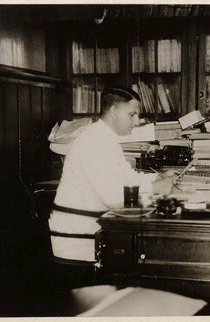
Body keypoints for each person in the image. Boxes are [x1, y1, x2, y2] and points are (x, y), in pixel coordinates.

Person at [47, 86, 148, 289]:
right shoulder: (94, 142)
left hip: (90, 233)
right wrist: (155, 188)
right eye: (132, 114)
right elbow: (114, 197)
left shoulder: (106, 139)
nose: (136, 122)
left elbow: (128, 178)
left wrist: (155, 184)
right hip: (77, 241)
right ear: (113, 111)